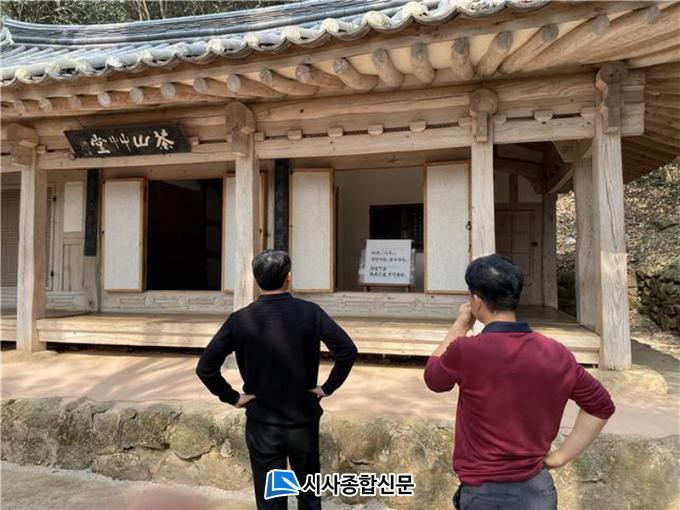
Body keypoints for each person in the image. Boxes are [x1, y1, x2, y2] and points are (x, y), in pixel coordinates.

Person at [424, 254, 615, 510]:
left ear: (476, 300)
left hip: (483, 494)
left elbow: (434, 378)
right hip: (537, 491)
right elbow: (601, 406)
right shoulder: (555, 353)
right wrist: (560, 456)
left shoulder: (466, 351)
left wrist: (460, 325)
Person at [196, 249, 358, 510]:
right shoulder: (310, 313)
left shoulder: (240, 320)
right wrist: (328, 387)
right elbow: (347, 350)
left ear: (256, 280)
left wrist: (232, 397)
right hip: (303, 420)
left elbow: (205, 367)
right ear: (288, 277)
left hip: (263, 422)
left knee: (272, 498)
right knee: (308, 494)